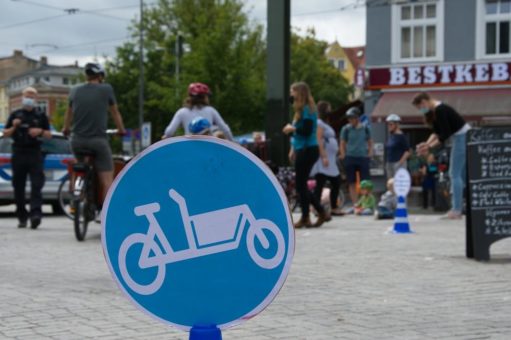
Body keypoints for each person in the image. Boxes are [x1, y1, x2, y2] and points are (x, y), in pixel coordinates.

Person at [63, 62, 126, 206]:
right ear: (100, 76)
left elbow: (68, 114)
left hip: (77, 141)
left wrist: (66, 129)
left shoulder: (74, 90)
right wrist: (121, 130)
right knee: (107, 179)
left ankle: (77, 194)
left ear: (87, 76)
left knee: (79, 165)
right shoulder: (106, 89)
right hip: (98, 141)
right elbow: (115, 112)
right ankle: (105, 213)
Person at [412, 92, 470, 219]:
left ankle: (456, 209)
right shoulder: (436, 110)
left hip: (461, 138)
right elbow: (436, 133)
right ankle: (462, 206)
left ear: (425, 101)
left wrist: (428, 147)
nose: (421, 109)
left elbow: (445, 135)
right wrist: (426, 144)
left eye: (420, 106)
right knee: (462, 175)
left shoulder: (440, 110)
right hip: (462, 137)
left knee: (454, 174)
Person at [3, 87, 51, 229]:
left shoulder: (40, 115)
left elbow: (49, 135)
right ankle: (22, 216)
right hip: (18, 151)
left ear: (36, 98)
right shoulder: (15, 114)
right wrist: (13, 126)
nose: (29, 98)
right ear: (22, 97)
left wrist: (40, 131)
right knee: (18, 186)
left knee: (37, 184)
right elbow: (5, 134)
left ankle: (35, 215)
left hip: (34, 152)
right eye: (27, 95)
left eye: (31, 96)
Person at [283, 82, 328, 228]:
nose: (290, 93)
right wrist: (293, 148)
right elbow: (300, 135)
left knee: (301, 185)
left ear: (300, 92)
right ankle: (317, 213)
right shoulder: (301, 109)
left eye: (292, 91)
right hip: (303, 149)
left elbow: (307, 130)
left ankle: (308, 216)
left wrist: (292, 128)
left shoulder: (308, 109)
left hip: (308, 149)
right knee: (301, 185)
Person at [163, 82, 233, 140]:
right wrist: (233, 143)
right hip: (207, 148)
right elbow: (225, 129)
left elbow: (169, 132)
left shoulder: (182, 112)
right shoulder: (211, 111)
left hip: (190, 149)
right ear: (205, 97)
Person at [310, 101, 343, 216]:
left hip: (331, 159)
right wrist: (323, 156)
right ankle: (316, 208)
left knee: (336, 182)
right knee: (320, 183)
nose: (330, 111)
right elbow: (318, 139)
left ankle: (333, 207)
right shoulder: (319, 123)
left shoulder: (326, 123)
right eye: (329, 108)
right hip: (323, 159)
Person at [339, 107, 373, 208]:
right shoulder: (346, 129)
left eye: (352, 118)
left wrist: (370, 152)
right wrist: (343, 154)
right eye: (348, 118)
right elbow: (342, 143)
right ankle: (355, 204)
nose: (350, 120)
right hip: (350, 157)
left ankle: (365, 203)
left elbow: (370, 141)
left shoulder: (365, 128)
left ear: (357, 118)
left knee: (365, 182)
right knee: (351, 182)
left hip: (362, 157)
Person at [385, 114, 410, 179]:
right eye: (388, 124)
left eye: (391, 124)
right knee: (390, 183)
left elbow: (407, 151)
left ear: (397, 125)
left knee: (398, 184)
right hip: (389, 163)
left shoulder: (401, 136)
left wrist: (399, 163)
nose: (389, 126)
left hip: (397, 163)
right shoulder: (391, 136)